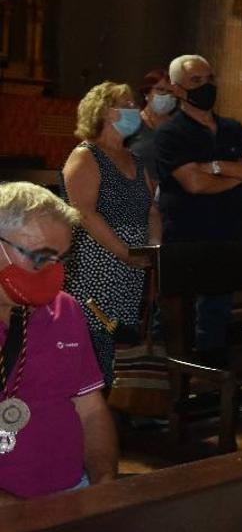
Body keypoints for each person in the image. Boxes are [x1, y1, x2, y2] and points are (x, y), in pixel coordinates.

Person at [0, 183, 118, 500]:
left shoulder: (64, 309)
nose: (52, 274)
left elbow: (90, 408)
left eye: (60, 260)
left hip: (73, 491)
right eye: (39, 258)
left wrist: (104, 479)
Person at [152, 54, 242, 358]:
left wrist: (214, 166)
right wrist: (236, 174)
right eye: (196, 81)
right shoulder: (170, 133)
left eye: (210, 79)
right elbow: (194, 184)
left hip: (228, 234)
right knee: (179, 319)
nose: (207, 86)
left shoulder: (232, 128)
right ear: (177, 89)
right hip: (187, 236)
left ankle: (210, 382)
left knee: (216, 317)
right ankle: (174, 386)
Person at [61, 82, 159, 385]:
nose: (135, 110)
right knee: (94, 339)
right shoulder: (86, 156)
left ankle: (120, 403)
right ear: (104, 111)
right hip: (97, 262)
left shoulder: (135, 159)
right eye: (126, 104)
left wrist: (153, 249)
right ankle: (90, 406)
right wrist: (124, 253)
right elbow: (85, 213)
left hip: (133, 264)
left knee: (122, 340)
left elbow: (152, 209)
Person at [124, 68, 176, 174]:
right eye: (160, 90)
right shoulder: (132, 123)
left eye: (170, 91)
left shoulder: (179, 125)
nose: (166, 95)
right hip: (139, 186)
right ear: (146, 93)